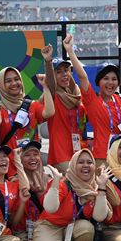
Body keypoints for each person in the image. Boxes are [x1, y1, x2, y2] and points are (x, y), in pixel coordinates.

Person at [32, 149, 113, 241]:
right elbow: (50, 207)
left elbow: (99, 216)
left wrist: (102, 189)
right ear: (73, 165)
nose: (86, 165)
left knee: (86, 228)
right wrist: (55, 182)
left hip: (73, 228)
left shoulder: (94, 188)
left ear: (94, 166)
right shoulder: (65, 183)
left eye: (89, 162)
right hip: (50, 226)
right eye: (80, 162)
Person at [64, 35, 121, 167]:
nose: (110, 83)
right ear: (98, 82)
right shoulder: (92, 100)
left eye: (114, 79)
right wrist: (70, 51)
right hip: (102, 157)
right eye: (106, 78)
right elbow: (82, 76)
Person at [0, 66, 54, 177]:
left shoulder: (31, 105)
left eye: (17, 79)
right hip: (10, 168)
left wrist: (45, 86)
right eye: (8, 81)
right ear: (1, 85)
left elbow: (49, 112)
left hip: (33, 166)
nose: (14, 83)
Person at [10, 140, 61, 241]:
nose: (33, 158)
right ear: (20, 160)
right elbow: (14, 223)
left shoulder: (49, 179)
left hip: (44, 228)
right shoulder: (14, 182)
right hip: (22, 232)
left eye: (36, 154)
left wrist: (41, 193)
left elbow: (54, 210)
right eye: (27, 155)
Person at [41, 42, 88, 173]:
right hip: (61, 155)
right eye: (59, 72)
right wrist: (48, 62)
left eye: (66, 70)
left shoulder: (76, 94)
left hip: (79, 150)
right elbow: (50, 81)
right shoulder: (53, 94)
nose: (64, 74)